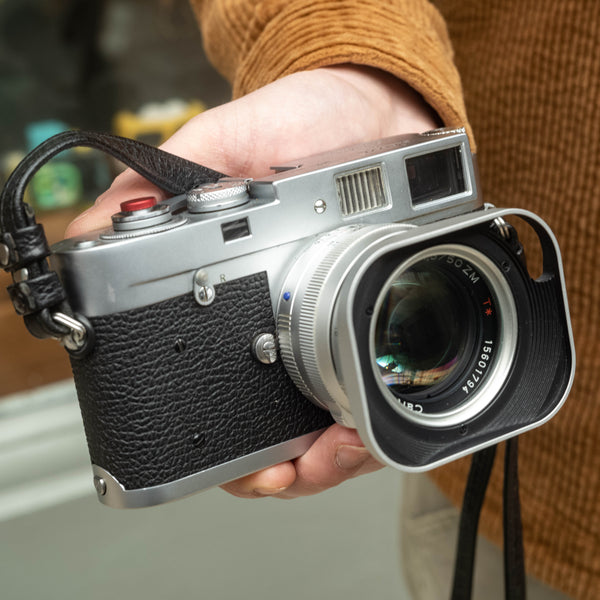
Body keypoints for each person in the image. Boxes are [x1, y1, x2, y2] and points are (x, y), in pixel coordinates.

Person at [67, 1, 600, 598]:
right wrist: (354, 64)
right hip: (510, 495)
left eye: (398, 340)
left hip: (517, 438)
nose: (405, 336)